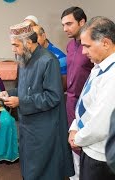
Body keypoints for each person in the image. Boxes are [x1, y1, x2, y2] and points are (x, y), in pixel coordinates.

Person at [3, 21, 74, 180]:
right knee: (29, 167)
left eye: (15, 45)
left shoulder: (48, 60)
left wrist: (21, 102)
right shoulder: (24, 58)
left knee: (44, 171)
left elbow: (53, 96)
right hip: (28, 125)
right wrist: (8, 94)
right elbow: (24, 89)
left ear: (28, 42)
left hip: (45, 127)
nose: (13, 49)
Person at [68, 16, 115, 180]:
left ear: (106, 43)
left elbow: (102, 123)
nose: (83, 51)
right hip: (88, 145)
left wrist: (77, 137)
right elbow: (85, 101)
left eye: (87, 46)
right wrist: (74, 126)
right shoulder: (99, 66)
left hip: (100, 154)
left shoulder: (112, 76)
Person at [61, 7, 94, 180]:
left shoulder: (92, 46)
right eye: (63, 25)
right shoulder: (69, 45)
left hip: (88, 103)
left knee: (87, 145)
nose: (65, 28)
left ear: (82, 22)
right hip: (71, 101)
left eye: (69, 24)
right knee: (73, 143)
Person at [32, 25, 67, 91]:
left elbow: (63, 86)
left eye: (35, 37)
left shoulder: (60, 57)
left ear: (44, 36)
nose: (33, 41)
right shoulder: (32, 54)